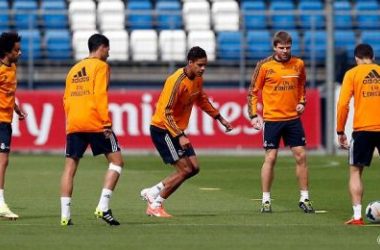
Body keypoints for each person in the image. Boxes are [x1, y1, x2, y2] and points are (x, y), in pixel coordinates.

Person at [140, 46, 233, 217]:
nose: (203, 68)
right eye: (199, 65)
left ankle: (152, 192)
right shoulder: (176, 81)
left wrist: (220, 118)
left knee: (194, 168)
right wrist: (180, 135)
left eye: (205, 65)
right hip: (163, 129)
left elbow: (202, 100)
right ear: (190, 63)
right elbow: (165, 112)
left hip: (176, 130)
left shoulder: (197, 79)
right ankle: (155, 205)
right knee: (184, 170)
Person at [247, 31, 314, 213]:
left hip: (293, 119)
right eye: (281, 47)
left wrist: (301, 102)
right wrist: (253, 115)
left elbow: (302, 86)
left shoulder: (298, 64)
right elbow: (253, 91)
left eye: (288, 47)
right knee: (271, 157)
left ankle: (305, 198)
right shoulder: (264, 65)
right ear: (274, 47)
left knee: (301, 156)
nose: (285, 51)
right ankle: (266, 200)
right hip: (272, 119)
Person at [60, 34, 124, 226]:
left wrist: (72, 120)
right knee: (117, 162)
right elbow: (99, 94)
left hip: (74, 122)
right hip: (95, 121)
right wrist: (106, 122)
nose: (109, 53)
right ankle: (103, 207)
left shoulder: (74, 69)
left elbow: (66, 98)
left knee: (70, 169)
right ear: (102, 47)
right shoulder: (101, 66)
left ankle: (65, 217)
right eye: (108, 49)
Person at [336, 43, 380, 226]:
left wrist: (340, 130)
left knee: (355, 171)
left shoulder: (352, 74)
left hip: (363, 129)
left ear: (356, 58)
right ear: (373, 57)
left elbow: (343, 104)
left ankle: (357, 217)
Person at [0, 32, 28, 220]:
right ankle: (0, 203)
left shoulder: (13, 68)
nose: (20, 53)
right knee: (3, 161)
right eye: (16, 50)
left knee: (3, 161)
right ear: (7, 51)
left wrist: (16, 109)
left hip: (6, 121)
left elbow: (7, 94)